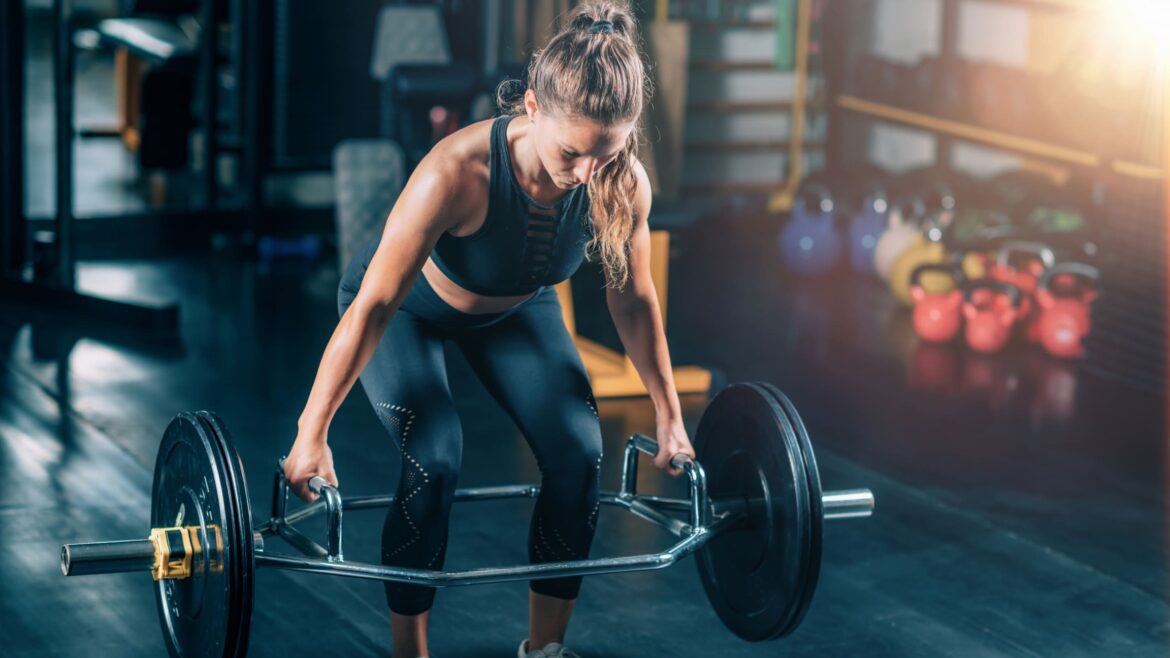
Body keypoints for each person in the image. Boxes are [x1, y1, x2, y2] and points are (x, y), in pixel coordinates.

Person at [283, 3, 693, 656]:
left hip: (516, 311)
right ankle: (408, 650)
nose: (586, 173)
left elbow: (634, 302)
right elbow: (375, 307)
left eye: (605, 152)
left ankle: (545, 648)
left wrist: (669, 416)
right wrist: (311, 432)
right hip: (409, 311)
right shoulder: (456, 171)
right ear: (532, 106)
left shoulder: (620, 179)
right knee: (436, 456)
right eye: (572, 150)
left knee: (579, 453)